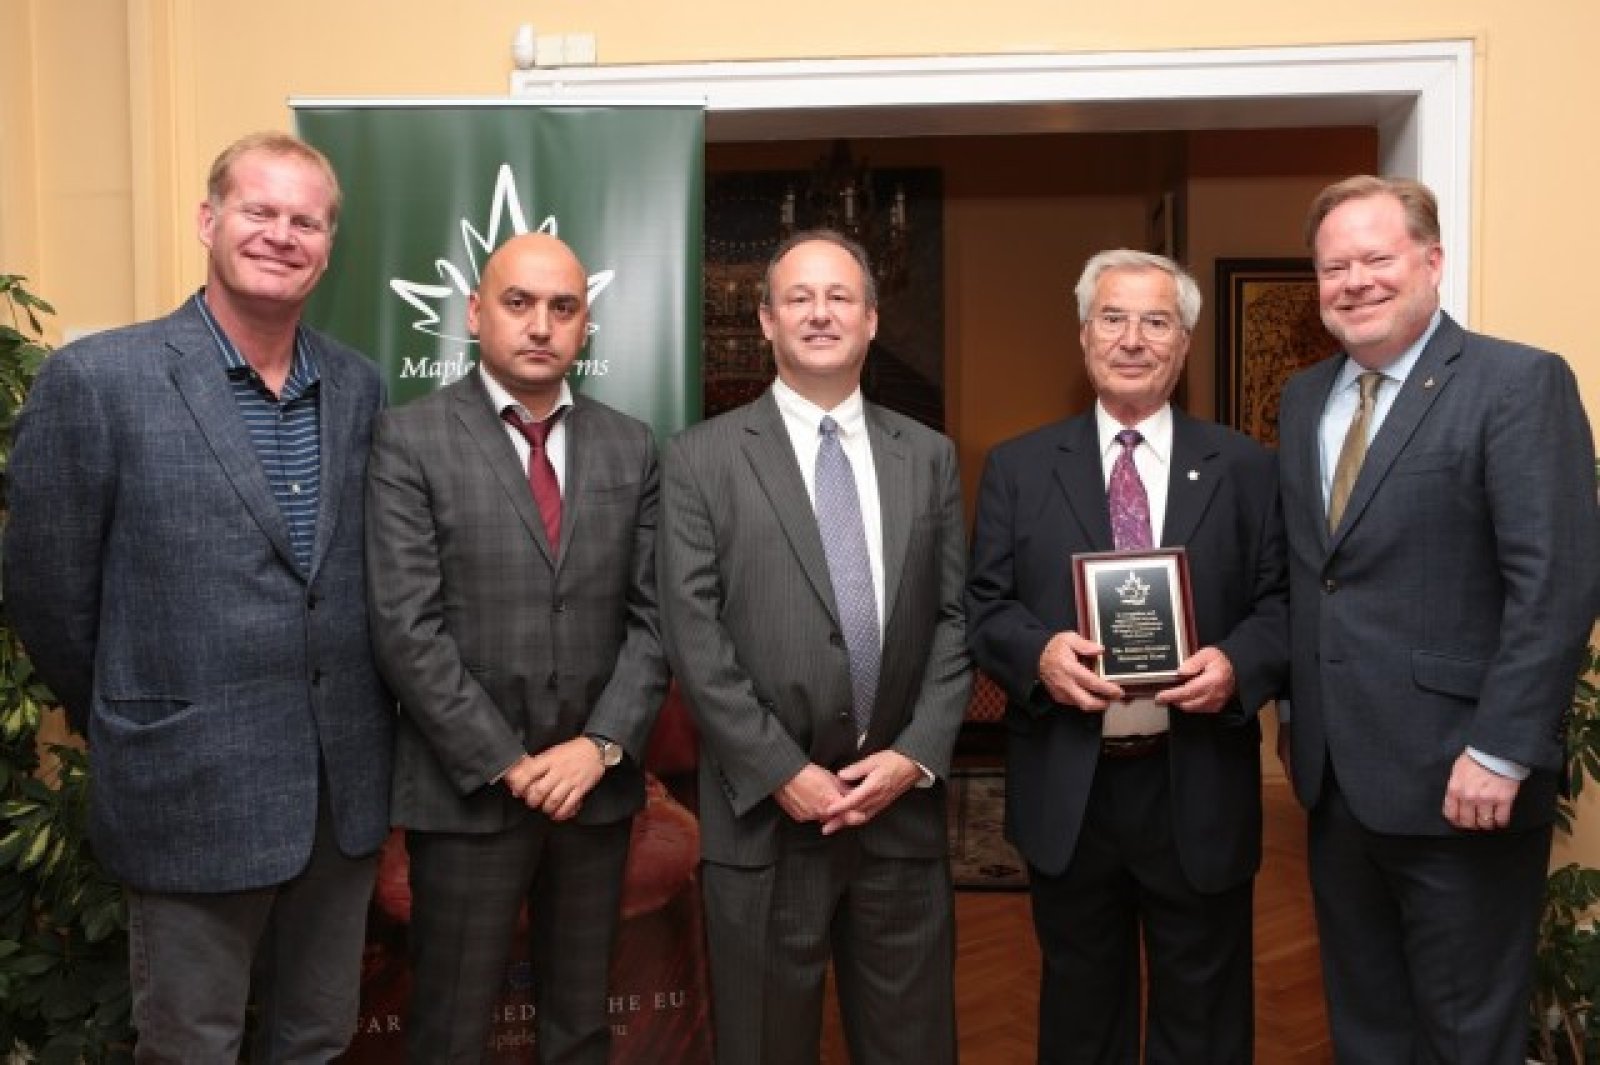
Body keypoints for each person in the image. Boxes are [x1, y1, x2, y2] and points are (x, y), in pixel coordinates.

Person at [3, 131, 393, 1062]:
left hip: (338, 794)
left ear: (328, 247)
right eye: (259, 211)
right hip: (188, 784)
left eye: (306, 221)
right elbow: (48, 590)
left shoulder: (358, 385)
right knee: (191, 1047)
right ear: (208, 220)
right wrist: (137, 708)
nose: (281, 234)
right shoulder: (100, 379)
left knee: (318, 1040)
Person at [1277, 175, 1600, 1062]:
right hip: (1337, 784)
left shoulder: (1516, 382)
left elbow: (1556, 582)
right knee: (1367, 1028)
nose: (1355, 281)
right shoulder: (1304, 399)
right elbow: (1314, 576)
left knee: (1466, 1034)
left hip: (1465, 783)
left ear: (1433, 261)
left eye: (1376, 258)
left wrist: (1501, 749)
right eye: (1333, 266)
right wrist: (1297, 715)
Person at [965, 248, 1288, 1063]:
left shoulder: (1247, 468)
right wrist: (1039, 655)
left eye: (1156, 321)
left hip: (1198, 778)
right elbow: (983, 606)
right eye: (1113, 317)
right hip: (1069, 784)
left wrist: (1236, 666)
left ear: (1184, 343)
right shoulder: (1018, 466)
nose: (1133, 338)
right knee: (1081, 1015)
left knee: (1205, 1016)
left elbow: (1284, 605)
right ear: (1083, 334)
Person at [658, 230, 971, 1065]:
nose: (820, 313)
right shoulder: (699, 459)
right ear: (766, 320)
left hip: (898, 815)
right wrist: (779, 769)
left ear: (872, 319)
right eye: (799, 297)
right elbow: (693, 633)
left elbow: (955, 619)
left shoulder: (929, 458)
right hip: (764, 820)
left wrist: (915, 754)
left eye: (840, 296)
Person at [364, 231, 667, 1065]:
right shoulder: (410, 439)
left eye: (563, 307)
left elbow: (656, 618)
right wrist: (509, 761)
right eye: (518, 302)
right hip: (466, 795)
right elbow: (405, 626)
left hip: (596, 794)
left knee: (580, 1029)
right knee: (450, 1034)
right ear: (474, 313)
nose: (541, 325)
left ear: (585, 324)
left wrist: (599, 746)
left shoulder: (632, 444)